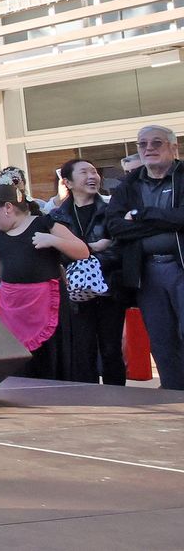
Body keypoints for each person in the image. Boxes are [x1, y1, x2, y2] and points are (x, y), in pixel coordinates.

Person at [0, 182, 90, 379]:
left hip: (45, 301)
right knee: (18, 356)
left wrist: (53, 240)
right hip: (13, 305)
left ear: (8, 207)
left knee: (50, 354)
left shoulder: (45, 223)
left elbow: (82, 251)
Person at [106, 125, 184, 390]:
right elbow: (115, 226)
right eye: (142, 144)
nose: (148, 148)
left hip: (181, 267)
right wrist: (167, 222)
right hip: (147, 272)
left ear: (174, 147)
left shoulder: (182, 176)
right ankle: (174, 394)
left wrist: (141, 215)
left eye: (157, 143)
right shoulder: (130, 183)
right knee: (162, 339)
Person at [49, 158, 126, 385]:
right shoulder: (56, 216)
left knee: (111, 349)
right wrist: (91, 249)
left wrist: (85, 256)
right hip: (75, 292)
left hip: (109, 288)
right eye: (84, 172)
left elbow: (120, 247)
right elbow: (58, 253)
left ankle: (118, 397)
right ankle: (89, 396)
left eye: (94, 172)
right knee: (82, 351)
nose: (92, 176)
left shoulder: (112, 208)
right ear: (68, 182)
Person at [0, 166, 52, 237]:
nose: (12, 186)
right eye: (5, 184)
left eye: (15, 181)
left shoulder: (40, 205)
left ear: (23, 184)